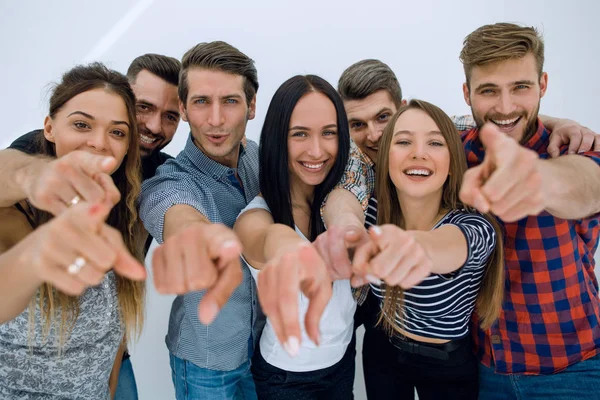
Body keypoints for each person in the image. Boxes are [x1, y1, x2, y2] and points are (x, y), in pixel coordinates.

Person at [2, 53, 181, 400]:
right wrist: (36, 178)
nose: (99, 142)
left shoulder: (140, 185)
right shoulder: (24, 181)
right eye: (82, 124)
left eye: (116, 131)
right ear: (49, 128)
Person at [457, 23, 600, 399]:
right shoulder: (453, 151)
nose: (505, 108)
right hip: (485, 370)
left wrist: (536, 176)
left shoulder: (577, 152)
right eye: (489, 91)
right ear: (467, 94)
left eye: (521, 87)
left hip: (574, 371)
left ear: (543, 85)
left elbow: (588, 186)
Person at [351, 99, 504, 399]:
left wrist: (416, 247)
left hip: (447, 365)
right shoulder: (370, 212)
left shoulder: (475, 227)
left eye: (435, 143)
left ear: (451, 163)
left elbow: (448, 245)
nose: (418, 153)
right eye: (404, 141)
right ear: (386, 157)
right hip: (383, 348)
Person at [139, 41, 260, 400]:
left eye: (231, 101)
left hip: (265, 350)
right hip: (207, 363)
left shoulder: (257, 156)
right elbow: (174, 211)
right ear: (184, 108)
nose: (216, 119)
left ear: (251, 106)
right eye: (202, 101)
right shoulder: (169, 179)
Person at [234, 75, 354, 399]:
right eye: (299, 134)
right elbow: (271, 238)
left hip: (343, 360)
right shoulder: (255, 218)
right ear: (277, 138)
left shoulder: (342, 196)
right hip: (287, 379)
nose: (316, 150)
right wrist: (299, 254)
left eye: (328, 133)